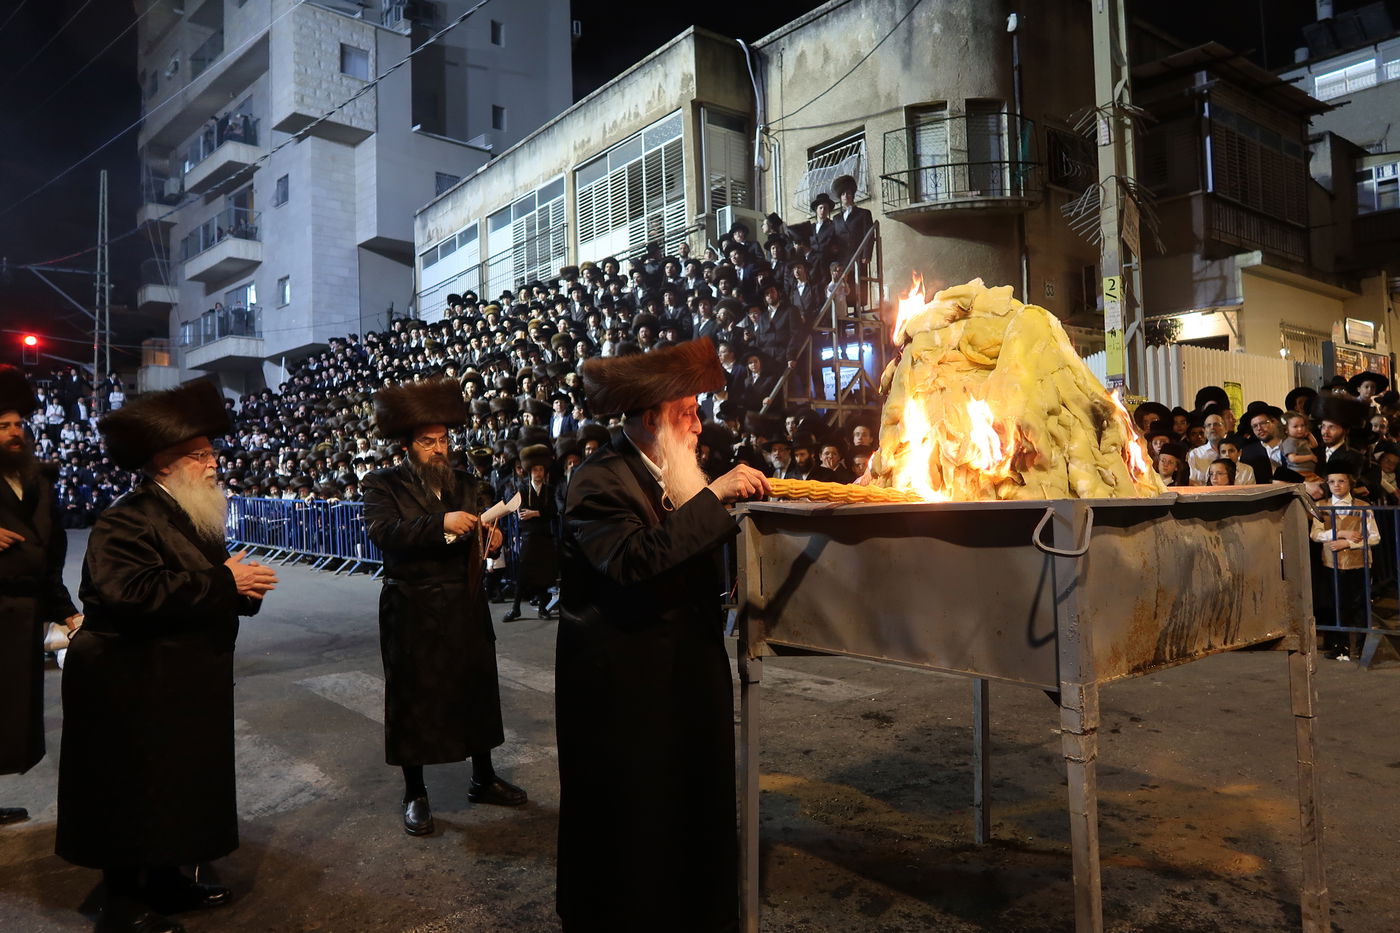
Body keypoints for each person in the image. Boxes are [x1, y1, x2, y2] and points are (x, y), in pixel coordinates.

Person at [555, 337, 770, 930]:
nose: (699, 423)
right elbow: (631, 561)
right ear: (652, 417)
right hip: (624, 691)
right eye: (688, 410)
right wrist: (715, 496)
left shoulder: (672, 471)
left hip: (682, 678)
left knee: (689, 810)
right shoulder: (597, 481)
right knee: (633, 825)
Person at [56, 380, 278, 933]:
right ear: (164, 462)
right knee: (130, 794)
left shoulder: (186, 514)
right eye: (200, 454)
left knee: (170, 789)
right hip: (128, 682)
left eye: (211, 452)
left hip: (172, 681)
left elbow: (203, 584)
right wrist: (226, 583)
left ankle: (166, 880)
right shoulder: (126, 519)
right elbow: (131, 596)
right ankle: (124, 906)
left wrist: (239, 587)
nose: (213, 463)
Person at [362, 377, 524, 838]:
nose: (439, 448)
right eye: (429, 441)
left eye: (444, 439)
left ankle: (483, 776)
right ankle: (415, 791)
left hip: (464, 603)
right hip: (412, 606)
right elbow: (383, 533)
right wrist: (440, 524)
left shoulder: (469, 483)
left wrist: (492, 539)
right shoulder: (383, 484)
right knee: (413, 699)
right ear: (408, 445)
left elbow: (485, 534)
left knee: (476, 691)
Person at [0, 366, 82, 825]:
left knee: (6, 716)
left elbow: (49, 562)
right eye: (3, 426)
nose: (15, 432)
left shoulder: (38, 483)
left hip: (22, 618)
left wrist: (67, 614)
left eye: (18, 425)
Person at [1311, 451, 1381, 660]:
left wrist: (1347, 543)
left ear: (1350, 482)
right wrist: (1339, 533)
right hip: (1331, 564)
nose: (1337, 485)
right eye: (1332, 481)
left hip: (1359, 564)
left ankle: (1361, 647)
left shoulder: (1363, 507)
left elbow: (1374, 537)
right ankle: (1339, 646)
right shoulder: (1322, 507)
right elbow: (1315, 534)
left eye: (1341, 481)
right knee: (1333, 605)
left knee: (1359, 606)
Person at [504, 442, 557, 622]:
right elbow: (522, 514)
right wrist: (537, 513)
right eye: (535, 470)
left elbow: (552, 512)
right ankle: (515, 608)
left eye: (541, 470)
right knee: (523, 573)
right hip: (529, 537)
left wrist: (536, 513)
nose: (538, 473)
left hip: (544, 536)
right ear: (530, 472)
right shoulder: (523, 489)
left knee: (542, 573)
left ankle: (543, 608)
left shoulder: (549, 490)